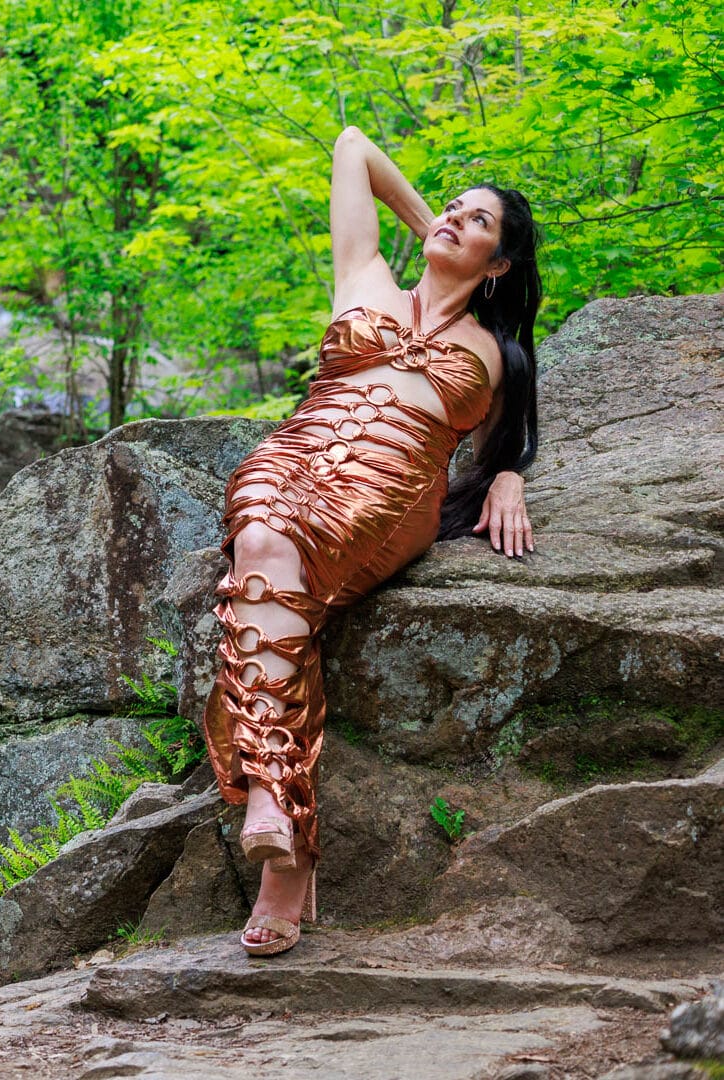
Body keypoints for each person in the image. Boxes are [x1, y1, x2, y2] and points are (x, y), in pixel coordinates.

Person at [202, 125, 543, 956]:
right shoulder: (366, 278)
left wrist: (507, 475)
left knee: (275, 553)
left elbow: (508, 443)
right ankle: (280, 825)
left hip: (387, 492)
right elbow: (352, 146)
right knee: (260, 529)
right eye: (453, 209)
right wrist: (437, 225)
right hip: (296, 453)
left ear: (501, 265)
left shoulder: (497, 351)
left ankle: (273, 808)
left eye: (480, 224)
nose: (457, 221)